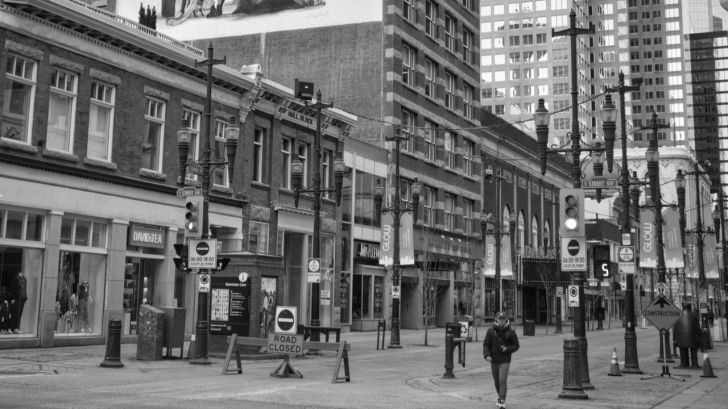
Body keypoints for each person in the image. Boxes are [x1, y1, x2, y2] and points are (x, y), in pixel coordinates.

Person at [483, 312, 520, 409]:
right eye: (500, 318)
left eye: (503, 318)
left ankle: (501, 401)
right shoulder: (490, 331)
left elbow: (516, 346)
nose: (502, 320)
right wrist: (487, 355)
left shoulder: (511, 332)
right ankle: (500, 397)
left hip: (505, 360)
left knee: (502, 380)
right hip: (494, 360)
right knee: (497, 382)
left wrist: (507, 349)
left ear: (506, 319)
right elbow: (486, 344)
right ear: (496, 319)